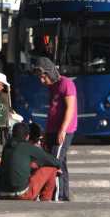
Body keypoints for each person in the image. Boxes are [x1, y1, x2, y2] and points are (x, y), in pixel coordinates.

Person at [33, 57, 77, 202]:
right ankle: (64, 194)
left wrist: (62, 130)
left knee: (54, 162)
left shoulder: (66, 84)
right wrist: (46, 132)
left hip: (64, 129)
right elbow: (52, 110)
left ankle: (55, 195)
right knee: (61, 161)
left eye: (43, 77)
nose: (41, 81)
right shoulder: (52, 87)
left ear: (49, 72)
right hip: (52, 129)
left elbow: (70, 108)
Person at [0, 123, 62, 201]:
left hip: (2, 193)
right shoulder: (27, 147)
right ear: (27, 136)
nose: (38, 142)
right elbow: (55, 161)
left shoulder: (7, 147)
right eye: (38, 140)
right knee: (52, 168)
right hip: (21, 194)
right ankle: (45, 200)